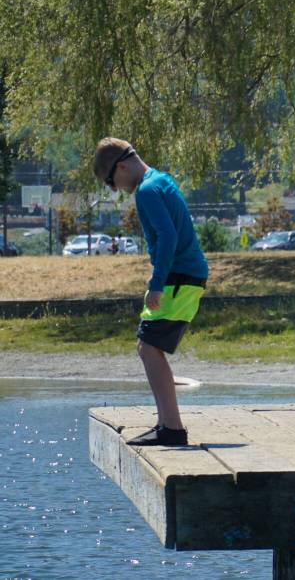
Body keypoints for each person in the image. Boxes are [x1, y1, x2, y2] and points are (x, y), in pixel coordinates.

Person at [92, 138, 208, 447]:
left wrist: (156, 283)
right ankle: (166, 424)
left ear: (122, 166)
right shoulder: (161, 179)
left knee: (148, 348)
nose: (115, 189)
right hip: (184, 275)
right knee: (150, 346)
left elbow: (168, 236)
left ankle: (171, 429)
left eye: (111, 182)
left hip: (177, 277)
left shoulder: (146, 191)